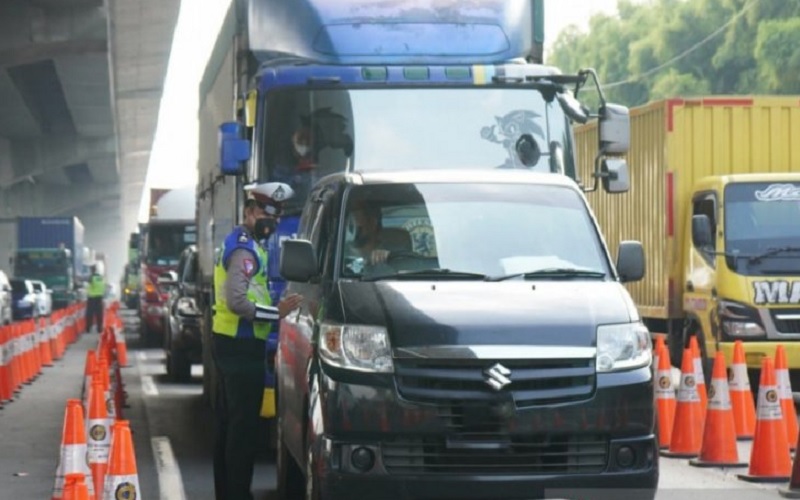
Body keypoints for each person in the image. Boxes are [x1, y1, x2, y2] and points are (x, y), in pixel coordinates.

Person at [211, 181, 303, 500]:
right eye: (267, 214)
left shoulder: (250, 244)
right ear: (250, 212)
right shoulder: (244, 249)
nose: (272, 222)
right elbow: (238, 301)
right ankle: (237, 493)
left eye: (276, 217)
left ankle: (227, 491)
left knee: (229, 425)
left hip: (232, 343)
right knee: (242, 429)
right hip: (239, 346)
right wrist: (275, 313)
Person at [85, 264, 105, 334]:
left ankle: (88, 328)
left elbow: (88, 284)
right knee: (99, 314)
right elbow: (103, 286)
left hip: (92, 297)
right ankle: (99, 328)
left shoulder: (91, 277)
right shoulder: (100, 277)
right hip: (99, 297)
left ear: (92, 270)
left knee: (89, 314)